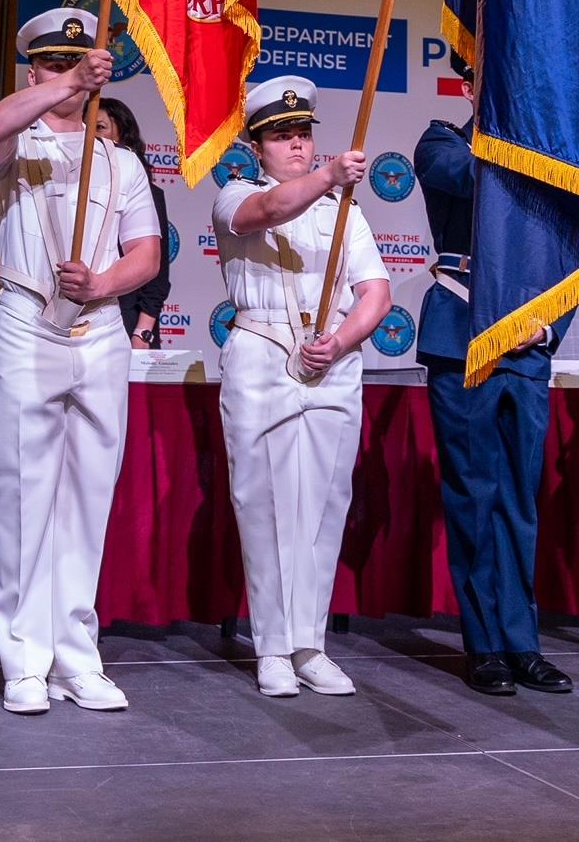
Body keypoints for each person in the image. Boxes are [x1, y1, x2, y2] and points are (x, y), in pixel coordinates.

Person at [0, 7, 164, 715]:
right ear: (35, 71)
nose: (69, 76)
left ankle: (77, 653)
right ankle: (24, 658)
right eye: (53, 64)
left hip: (102, 331)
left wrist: (107, 283)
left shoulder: (122, 161)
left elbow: (146, 250)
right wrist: (65, 87)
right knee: (24, 498)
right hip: (28, 326)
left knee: (88, 498)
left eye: (78, 66)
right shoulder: (16, 144)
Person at [213, 76, 392, 698]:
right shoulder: (237, 193)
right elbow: (268, 212)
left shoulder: (346, 211)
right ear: (257, 146)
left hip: (332, 362)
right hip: (263, 353)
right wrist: (329, 176)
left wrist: (342, 342)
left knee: (322, 506)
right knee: (263, 505)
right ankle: (271, 649)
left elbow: (375, 293)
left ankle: (309, 643)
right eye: (282, 137)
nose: (296, 145)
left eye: (304, 134)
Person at [413, 54, 572, 698]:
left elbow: (567, 248)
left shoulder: (544, 161)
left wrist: (552, 322)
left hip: (529, 346)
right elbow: (467, 177)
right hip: (465, 338)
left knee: (519, 503)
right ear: (472, 84)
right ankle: (485, 646)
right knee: (475, 498)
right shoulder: (440, 141)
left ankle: (523, 642)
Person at [97, 97, 171, 349]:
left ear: (123, 136)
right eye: (85, 127)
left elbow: (158, 275)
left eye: (100, 127)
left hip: (130, 322)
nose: (91, 136)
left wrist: (142, 332)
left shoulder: (147, 193)